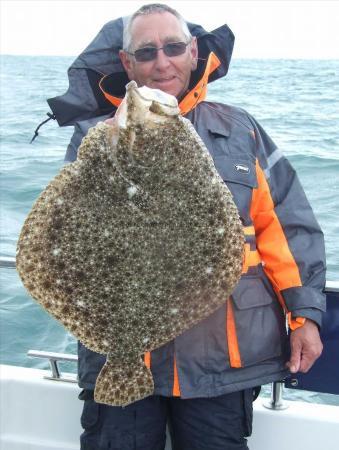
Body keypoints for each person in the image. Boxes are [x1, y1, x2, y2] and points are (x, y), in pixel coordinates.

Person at [49, 4, 326, 449]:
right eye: (146, 53)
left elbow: (285, 228)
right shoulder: (96, 136)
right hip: (121, 352)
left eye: (173, 47)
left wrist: (305, 315)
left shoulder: (240, 129)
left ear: (194, 51)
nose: (162, 62)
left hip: (218, 360)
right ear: (127, 63)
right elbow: (66, 235)